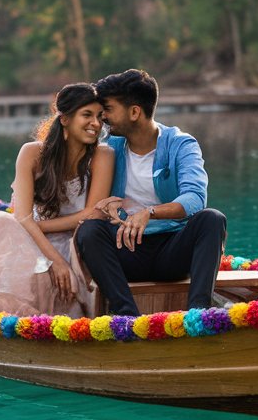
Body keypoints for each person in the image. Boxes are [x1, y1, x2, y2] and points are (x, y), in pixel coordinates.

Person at [0, 83, 114, 317]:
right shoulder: (32, 153)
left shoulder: (102, 155)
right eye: (86, 115)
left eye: (99, 116)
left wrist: (39, 227)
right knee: (0, 224)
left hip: (76, 242)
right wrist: (55, 260)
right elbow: (22, 217)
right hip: (31, 240)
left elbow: (92, 214)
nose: (96, 123)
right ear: (65, 119)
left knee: (63, 302)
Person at [75, 69, 227, 315]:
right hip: (125, 251)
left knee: (212, 219)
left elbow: (195, 198)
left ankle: (199, 314)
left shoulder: (181, 144)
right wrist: (108, 205)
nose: (103, 119)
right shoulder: (108, 148)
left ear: (135, 112)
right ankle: (126, 314)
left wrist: (150, 212)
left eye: (109, 110)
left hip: (172, 252)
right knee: (89, 231)